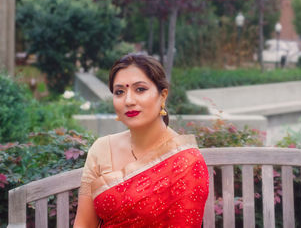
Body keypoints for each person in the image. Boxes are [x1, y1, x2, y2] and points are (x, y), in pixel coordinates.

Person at [74, 54, 209, 227]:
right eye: (119, 92)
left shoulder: (187, 162)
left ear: (163, 96)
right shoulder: (102, 149)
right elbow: (84, 224)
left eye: (140, 89)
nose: (129, 101)